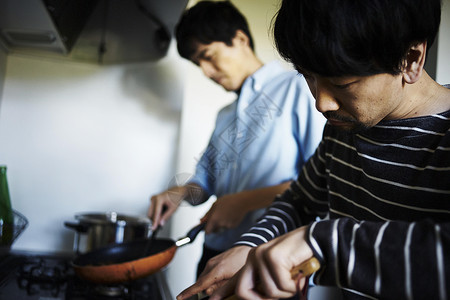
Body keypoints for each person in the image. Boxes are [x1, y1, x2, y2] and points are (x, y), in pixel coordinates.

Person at [176, 0, 450, 299]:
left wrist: (320, 242)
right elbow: (299, 201)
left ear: (411, 58)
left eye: (342, 83)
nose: (322, 104)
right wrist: (250, 245)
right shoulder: (342, 129)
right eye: (307, 76)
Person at [148, 0, 325, 278]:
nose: (206, 72)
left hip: (269, 259)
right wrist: (181, 192)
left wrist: (243, 201)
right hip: (214, 254)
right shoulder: (225, 115)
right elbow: (205, 182)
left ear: (240, 39)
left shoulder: (297, 88)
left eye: (208, 56)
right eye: (197, 64)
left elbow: (324, 184)